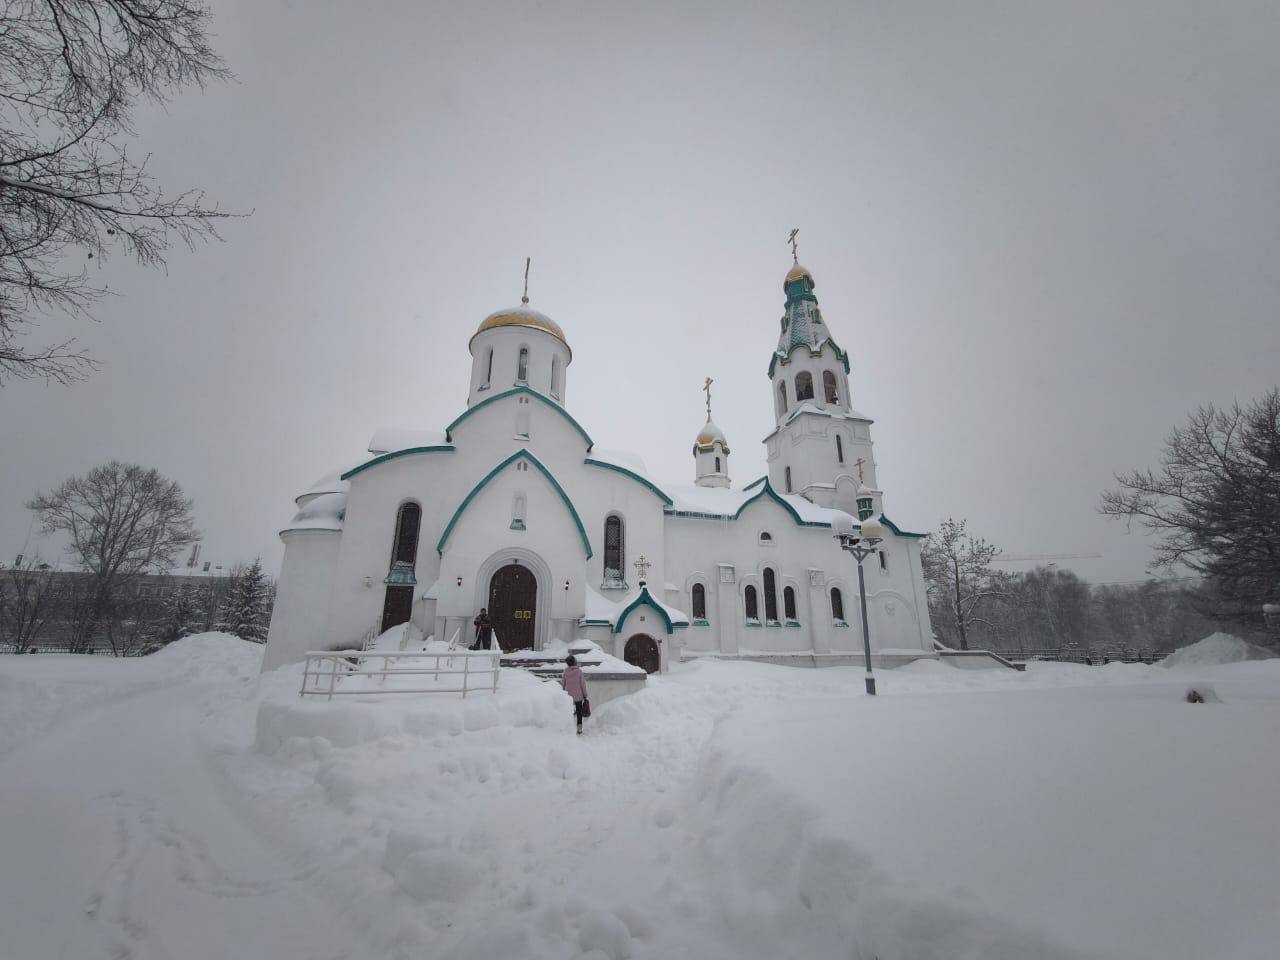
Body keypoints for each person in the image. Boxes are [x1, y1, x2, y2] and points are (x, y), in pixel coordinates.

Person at [561, 654, 589, 735]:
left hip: (568, 696)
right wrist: (585, 695)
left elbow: (563, 684)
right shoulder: (579, 671)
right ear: (575, 662)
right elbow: (582, 684)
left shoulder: (566, 671)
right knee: (579, 712)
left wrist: (562, 692)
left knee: (568, 712)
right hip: (578, 696)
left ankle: (568, 728)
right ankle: (579, 728)